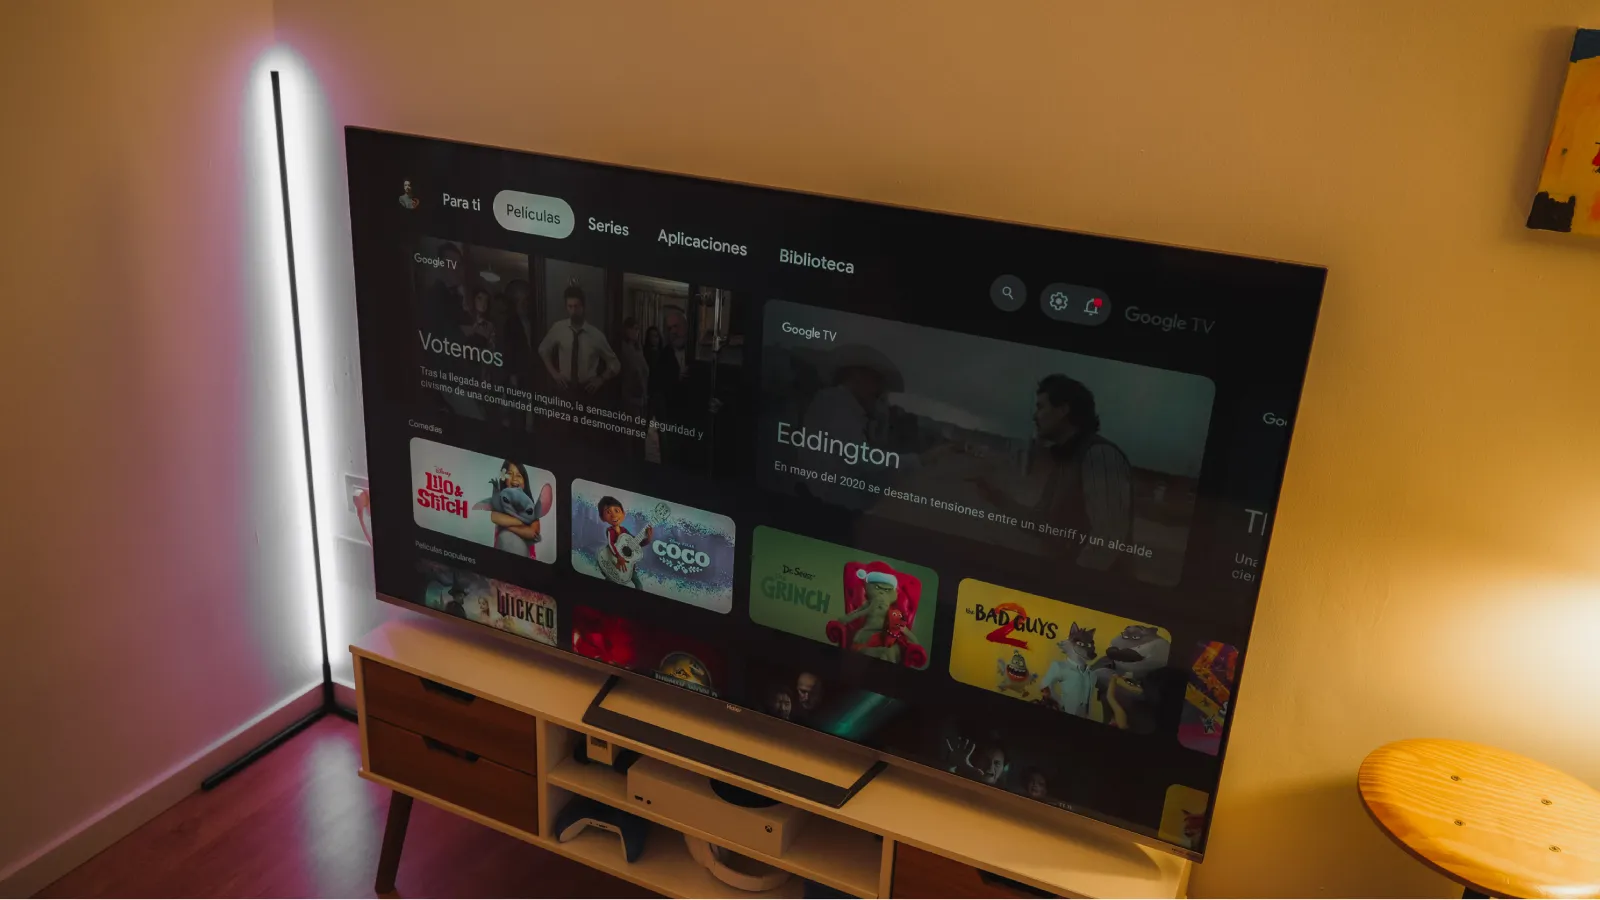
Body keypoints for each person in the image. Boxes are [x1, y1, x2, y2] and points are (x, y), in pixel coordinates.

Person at [975, 375, 1131, 571]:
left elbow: (1107, 539)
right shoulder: (1067, 460)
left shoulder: (1099, 455)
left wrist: (1066, 582)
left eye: (1041, 407)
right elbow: (1040, 523)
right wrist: (995, 497)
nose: (1035, 416)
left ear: (1063, 410)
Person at [538, 283, 619, 396]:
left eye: (576, 306)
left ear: (583, 307)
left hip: (587, 390)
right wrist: (554, 374)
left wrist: (601, 379)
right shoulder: (558, 328)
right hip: (564, 389)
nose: (573, 311)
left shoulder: (596, 335)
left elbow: (615, 363)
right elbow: (543, 350)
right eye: (570, 306)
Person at [618, 316, 650, 417]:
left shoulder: (638, 349)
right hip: (628, 397)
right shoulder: (623, 348)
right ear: (627, 330)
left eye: (638, 329)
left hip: (641, 397)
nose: (637, 332)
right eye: (634, 328)